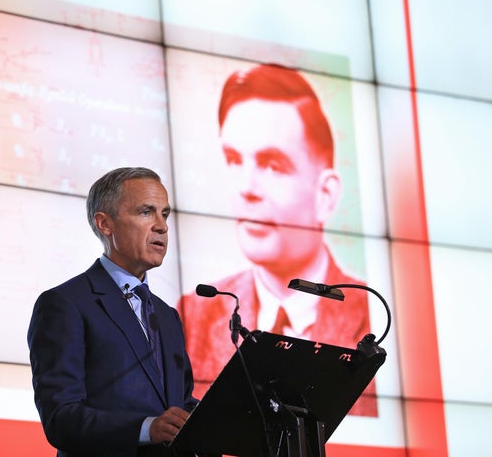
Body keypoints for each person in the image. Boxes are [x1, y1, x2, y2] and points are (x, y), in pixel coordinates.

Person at [177, 64, 377, 416]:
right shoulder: (192, 316)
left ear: (326, 194)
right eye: (234, 160)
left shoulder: (373, 315)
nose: (246, 188)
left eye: (272, 164)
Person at [28, 167, 198, 456]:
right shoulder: (65, 304)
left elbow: (181, 404)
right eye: (146, 212)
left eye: (164, 214)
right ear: (105, 223)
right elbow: (61, 417)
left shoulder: (167, 315)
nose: (162, 226)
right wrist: (146, 429)